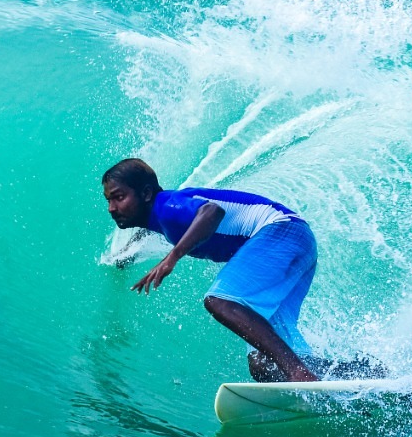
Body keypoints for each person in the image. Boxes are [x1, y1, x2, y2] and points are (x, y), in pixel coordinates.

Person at [103, 158, 385, 383]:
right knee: (263, 366)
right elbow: (152, 233)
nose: (112, 208)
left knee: (220, 301)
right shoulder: (160, 219)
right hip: (294, 242)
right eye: (108, 200)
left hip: (280, 232)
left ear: (146, 193)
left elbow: (211, 213)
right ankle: (363, 373)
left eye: (119, 197)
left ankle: (300, 373)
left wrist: (172, 258)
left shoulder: (167, 206)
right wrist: (122, 258)